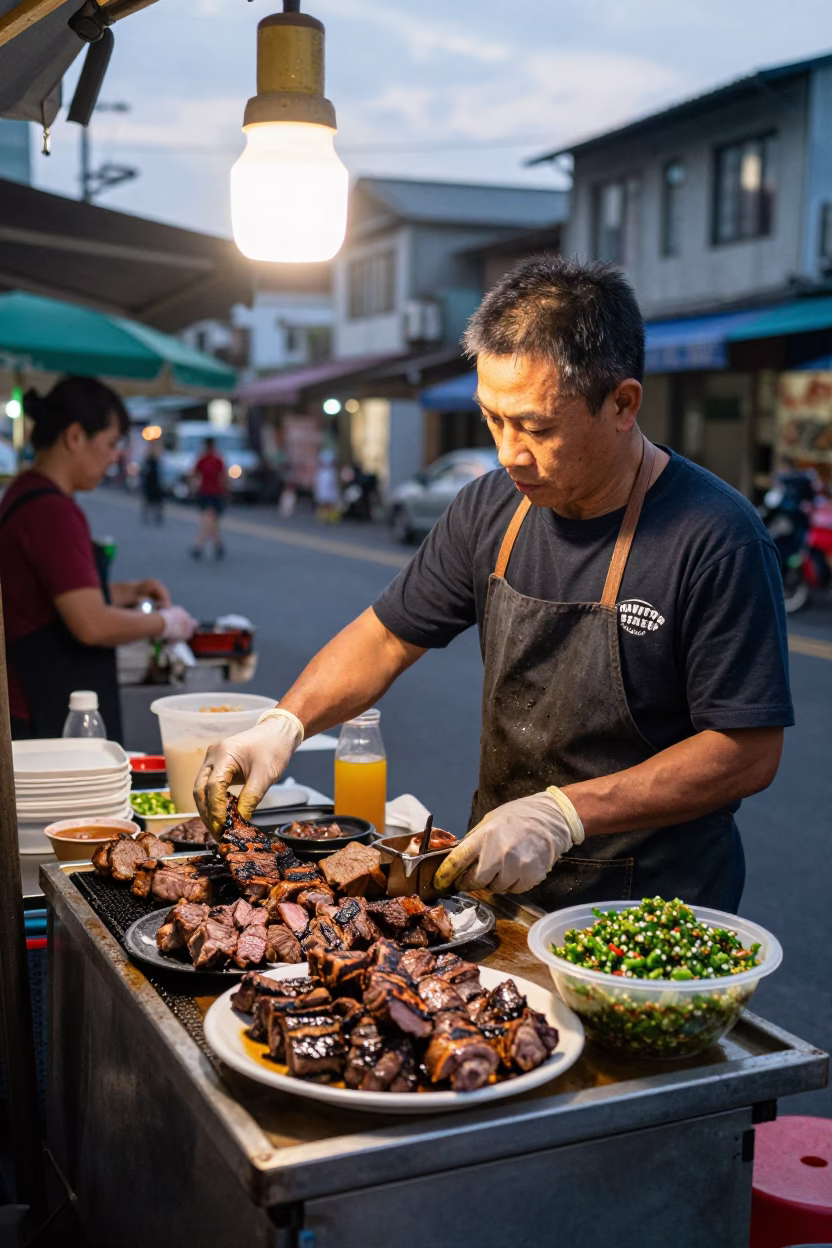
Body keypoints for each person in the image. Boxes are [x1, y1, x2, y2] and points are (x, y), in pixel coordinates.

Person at [194, 257, 793, 912]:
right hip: (502, 884)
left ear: (622, 404)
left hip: (652, 909)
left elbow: (746, 749)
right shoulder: (488, 509)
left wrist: (562, 813)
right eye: (493, 420)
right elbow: (386, 637)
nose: (509, 452)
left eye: (536, 426)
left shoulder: (715, 537)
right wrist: (285, 723)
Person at [0, 377, 197, 741]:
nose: (113, 458)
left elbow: (53, 591)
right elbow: (91, 624)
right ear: (74, 437)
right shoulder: (51, 511)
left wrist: (125, 591)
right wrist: (167, 624)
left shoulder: (25, 491)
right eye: (109, 444)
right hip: (43, 710)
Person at [191, 436, 226, 560]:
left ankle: (202, 545)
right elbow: (224, 476)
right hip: (215, 492)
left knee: (210, 520)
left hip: (207, 492)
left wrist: (194, 487)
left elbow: (194, 475)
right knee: (211, 520)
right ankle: (214, 545)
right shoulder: (217, 459)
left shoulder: (203, 459)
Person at [140, 442, 164, 525]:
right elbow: (144, 472)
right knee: (148, 502)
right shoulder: (149, 461)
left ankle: (158, 517)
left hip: (156, 484)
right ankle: (146, 517)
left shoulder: (158, 461)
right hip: (150, 484)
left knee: (158, 503)